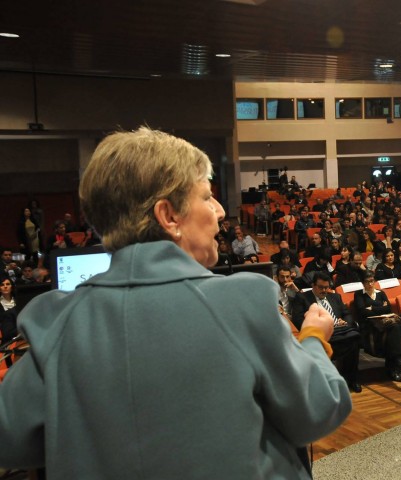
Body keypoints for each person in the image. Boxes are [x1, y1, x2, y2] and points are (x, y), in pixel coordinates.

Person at [0, 127, 351, 478]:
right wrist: (314, 339)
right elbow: (317, 410)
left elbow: (10, 439)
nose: (219, 211)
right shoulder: (241, 302)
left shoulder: (58, 323)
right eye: (206, 197)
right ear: (168, 216)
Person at [292, 273, 362, 393]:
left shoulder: (335, 297)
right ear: (313, 286)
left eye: (326, 287)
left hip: (340, 330)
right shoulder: (302, 298)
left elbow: (347, 314)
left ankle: (352, 379)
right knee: (349, 339)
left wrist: (345, 321)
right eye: (321, 287)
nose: (324, 290)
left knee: (354, 339)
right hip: (320, 334)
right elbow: (298, 320)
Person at [354, 271, 401, 382]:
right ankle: (396, 364)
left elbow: (388, 308)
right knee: (395, 328)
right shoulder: (359, 294)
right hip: (370, 325)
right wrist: (379, 308)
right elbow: (362, 312)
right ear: (362, 283)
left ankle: (395, 364)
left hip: (386, 322)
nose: (370, 284)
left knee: (394, 329)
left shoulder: (381, 293)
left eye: (372, 281)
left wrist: (372, 308)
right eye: (367, 282)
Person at [0, 277, 18, 342]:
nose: (5, 286)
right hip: (5, 337)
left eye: (8, 284)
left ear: (12, 287)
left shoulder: (19, 300)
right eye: (2, 285)